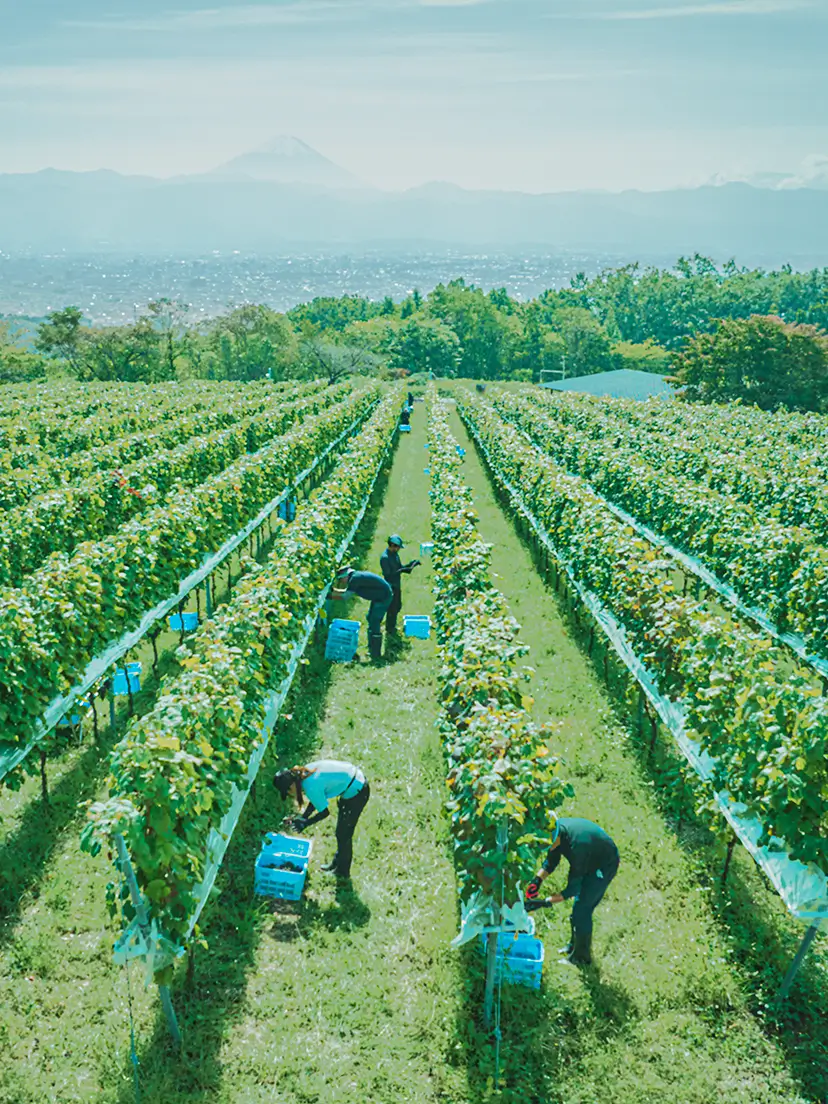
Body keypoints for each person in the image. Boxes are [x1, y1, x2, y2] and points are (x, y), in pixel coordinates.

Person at [525, 816, 620, 966]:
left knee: (582, 909)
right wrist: (537, 880)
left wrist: (544, 902)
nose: (549, 849)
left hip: (604, 864)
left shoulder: (577, 847)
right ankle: (573, 946)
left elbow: (571, 890)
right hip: (591, 856)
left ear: (556, 838)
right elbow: (552, 860)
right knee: (579, 909)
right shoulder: (557, 832)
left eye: (548, 846)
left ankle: (581, 958)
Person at [273, 760, 370, 879]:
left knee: (344, 834)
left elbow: (324, 812)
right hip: (354, 781)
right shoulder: (305, 772)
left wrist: (306, 823)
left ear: (291, 785)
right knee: (341, 832)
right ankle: (336, 864)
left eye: (287, 791)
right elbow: (316, 800)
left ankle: (343, 872)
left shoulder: (310, 786)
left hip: (357, 790)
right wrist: (303, 818)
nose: (289, 794)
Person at [332, 564, 393, 660]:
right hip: (379, 596)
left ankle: (375, 653)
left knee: (375, 620)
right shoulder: (355, 577)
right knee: (370, 618)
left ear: (345, 576)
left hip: (383, 597)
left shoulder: (354, 580)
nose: (342, 582)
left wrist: (330, 596)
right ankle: (371, 648)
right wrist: (335, 591)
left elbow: (345, 596)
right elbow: (347, 592)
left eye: (341, 579)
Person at [379, 535, 421, 635]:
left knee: (397, 606)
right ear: (392, 545)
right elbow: (388, 574)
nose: (398, 550)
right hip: (390, 586)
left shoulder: (395, 555)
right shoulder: (385, 558)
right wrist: (403, 570)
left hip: (397, 585)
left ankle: (392, 626)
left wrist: (410, 565)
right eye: (397, 547)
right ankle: (389, 629)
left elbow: (399, 567)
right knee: (392, 608)